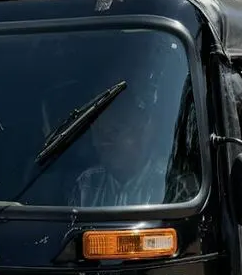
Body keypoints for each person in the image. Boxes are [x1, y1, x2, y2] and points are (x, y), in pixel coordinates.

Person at [70, 87, 198, 207]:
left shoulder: (175, 185)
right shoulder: (86, 185)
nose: (103, 143)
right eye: (98, 134)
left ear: (145, 131)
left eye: (115, 132)